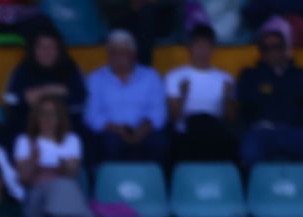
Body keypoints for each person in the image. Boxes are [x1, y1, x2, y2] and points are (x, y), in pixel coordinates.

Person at [84, 29, 169, 165]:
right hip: (111, 131)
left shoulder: (150, 76)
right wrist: (118, 129)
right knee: (109, 143)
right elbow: (92, 115)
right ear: (108, 55)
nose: (118, 57)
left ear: (133, 54)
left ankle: (153, 183)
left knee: (159, 143)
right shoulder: (96, 78)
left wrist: (143, 129)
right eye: (113, 52)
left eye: (123, 52)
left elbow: (159, 111)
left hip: (144, 129)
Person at [14, 96, 93, 217]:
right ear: (36, 117)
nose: (48, 118)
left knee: (61, 191)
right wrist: (34, 160)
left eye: (53, 113)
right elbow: (25, 178)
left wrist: (44, 171)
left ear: (60, 117)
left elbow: (72, 173)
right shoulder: (25, 141)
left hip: (66, 190)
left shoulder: (71, 140)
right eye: (43, 113)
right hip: (36, 192)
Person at [164, 24, 238, 163]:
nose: (202, 52)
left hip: (215, 131)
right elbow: (173, 118)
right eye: (198, 46)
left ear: (213, 49)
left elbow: (231, 119)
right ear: (189, 48)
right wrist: (183, 95)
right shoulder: (175, 76)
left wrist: (227, 97)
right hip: (186, 133)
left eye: (207, 47)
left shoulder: (226, 79)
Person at [2, 30, 87, 144]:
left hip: (64, 127)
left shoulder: (70, 69)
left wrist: (45, 93)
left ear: (59, 50)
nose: (46, 51)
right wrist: (26, 98)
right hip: (26, 126)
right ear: (33, 50)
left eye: (51, 47)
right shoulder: (23, 69)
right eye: (41, 47)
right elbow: (10, 98)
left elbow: (80, 101)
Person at [237, 20, 303, 167]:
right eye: (267, 48)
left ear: (286, 49)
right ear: (261, 52)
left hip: (294, 130)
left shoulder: (299, 76)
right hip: (262, 131)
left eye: (277, 47)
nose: (273, 52)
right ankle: (253, 188)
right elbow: (245, 105)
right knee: (250, 150)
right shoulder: (250, 75)